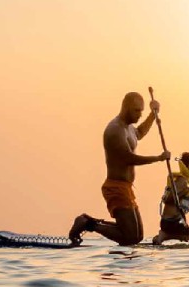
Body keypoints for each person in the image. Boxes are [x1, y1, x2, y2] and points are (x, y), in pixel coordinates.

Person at [69, 92, 169, 246]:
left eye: (141, 111)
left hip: (127, 187)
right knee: (129, 237)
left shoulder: (128, 128)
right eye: (136, 110)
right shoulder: (115, 130)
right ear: (126, 107)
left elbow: (139, 133)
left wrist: (152, 115)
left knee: (137, 236)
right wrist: (158, 158)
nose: (139, 115)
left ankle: (88, 221)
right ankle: (89, 224)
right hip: (116, 187)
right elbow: (128, 158)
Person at [153, 152, 189, 244]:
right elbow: (168, 199)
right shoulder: (182, 181)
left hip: (177, 221)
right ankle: (164, 235)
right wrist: (182, 193)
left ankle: (164, 235)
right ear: (185, 168)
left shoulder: (188, 181)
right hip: (171, 222)